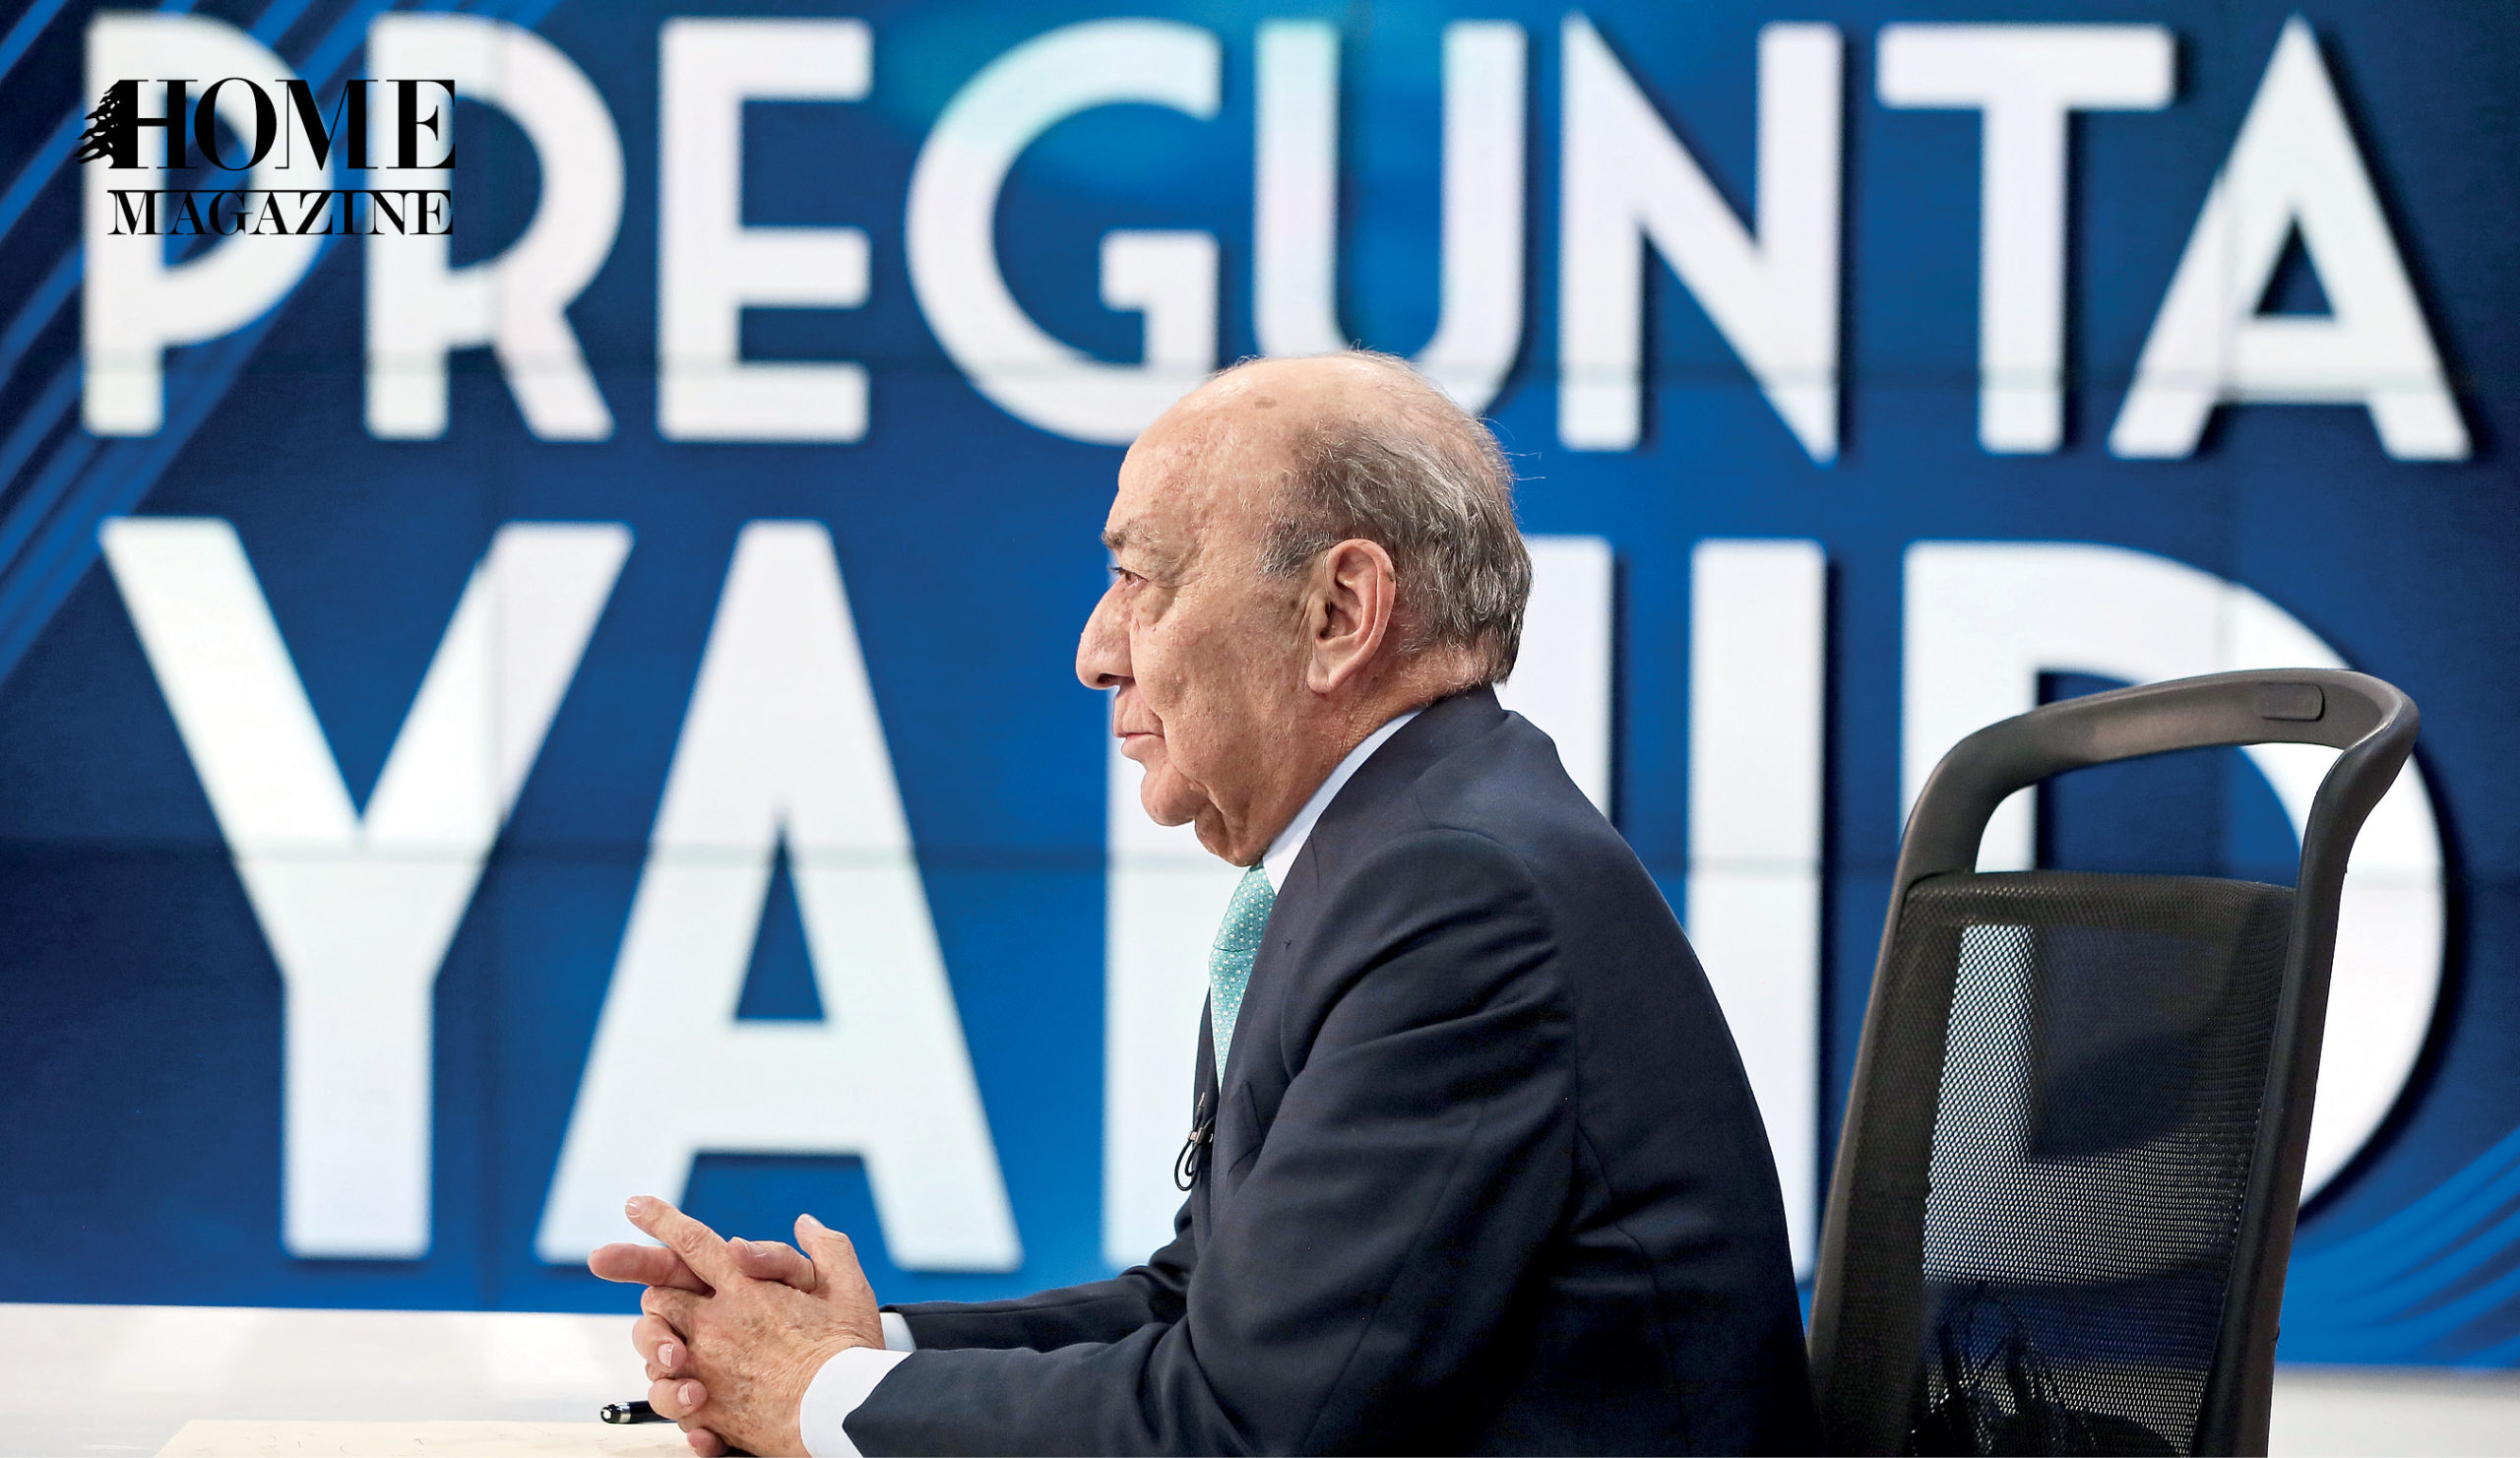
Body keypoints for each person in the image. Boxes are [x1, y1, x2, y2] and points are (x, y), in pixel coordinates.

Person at [591, 350, 1816, 1455]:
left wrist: (818, 1401)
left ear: (1339, 612)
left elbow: (1241, 1428)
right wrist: (875, 1349)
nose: (1095, 648)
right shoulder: (1402, 839)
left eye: (1140, 578)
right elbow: (1208, 1300)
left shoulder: (1455, 890)